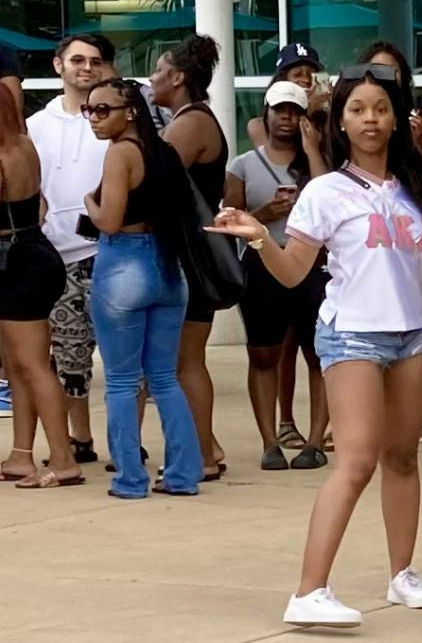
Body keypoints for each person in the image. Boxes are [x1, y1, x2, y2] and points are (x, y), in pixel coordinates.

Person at [212, 65, 422, 627]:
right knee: (354, 461)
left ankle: (403, 574)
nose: (370, 119)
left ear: (397, 118)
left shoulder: (413, 188)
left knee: (402, 458)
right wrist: (258, 238)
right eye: (357, 110)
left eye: (381, 108)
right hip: (352, 334)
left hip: (412, 337)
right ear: (340, 123)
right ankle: (309, 591)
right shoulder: (325, 191)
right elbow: (294, 270)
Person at [81, 77, 204, 499]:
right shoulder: (165, 152)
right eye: (89, 110)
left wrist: (89, 204)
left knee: (120, 382)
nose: (94, 118)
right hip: (168, 268)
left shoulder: (120, 154)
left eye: (103, 110)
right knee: (165, 379)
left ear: (130, 111)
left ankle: (130, 479)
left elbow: (110, 220)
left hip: (123, 265)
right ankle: (184, 475)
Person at [12, 32, 112, 473]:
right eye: (77, 60)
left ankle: (126, 442)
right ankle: (81, 437)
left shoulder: (112, 122)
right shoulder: (35, 126)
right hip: (56, 255)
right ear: (58, 66)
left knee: (124, 354)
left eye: (94, 61)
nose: (86, 67)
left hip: (109, 250)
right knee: (70, 357)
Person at [225, 80, 331, 472]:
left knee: (319, 354)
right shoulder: (243, 164)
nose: (286, 118)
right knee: (264, 353)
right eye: (280, 110)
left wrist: (312, 149)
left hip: (314, 264)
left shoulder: (316, 161)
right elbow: (229, 218)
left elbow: (330, 196)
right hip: (263, 262)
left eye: (294, 112)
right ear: (266, 113)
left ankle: (317, 439)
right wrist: (265, 213)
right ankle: (270, 440)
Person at [150, 35, 230, 481]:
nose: (152, 79)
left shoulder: (191, 122)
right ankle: (209, 445)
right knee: (184, 358)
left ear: (178, 78)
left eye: (159, 71)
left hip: (189, 256)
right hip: (191, 252)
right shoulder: (192, 118)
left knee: (185, 360)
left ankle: (199, 455)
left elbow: (151, 175)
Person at [0, 80, 79, 487]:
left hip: (16, 261)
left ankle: (63, 459)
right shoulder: (22, 144)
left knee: (31, 365)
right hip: (33, 250)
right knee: (19, 366)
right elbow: (41, 204)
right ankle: (21, 455)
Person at [362, 41, 422, 177]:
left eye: (392, 71)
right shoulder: (358, 121)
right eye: (377, 70)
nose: (385, 77)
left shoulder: (420, 122)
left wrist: (416, 144)